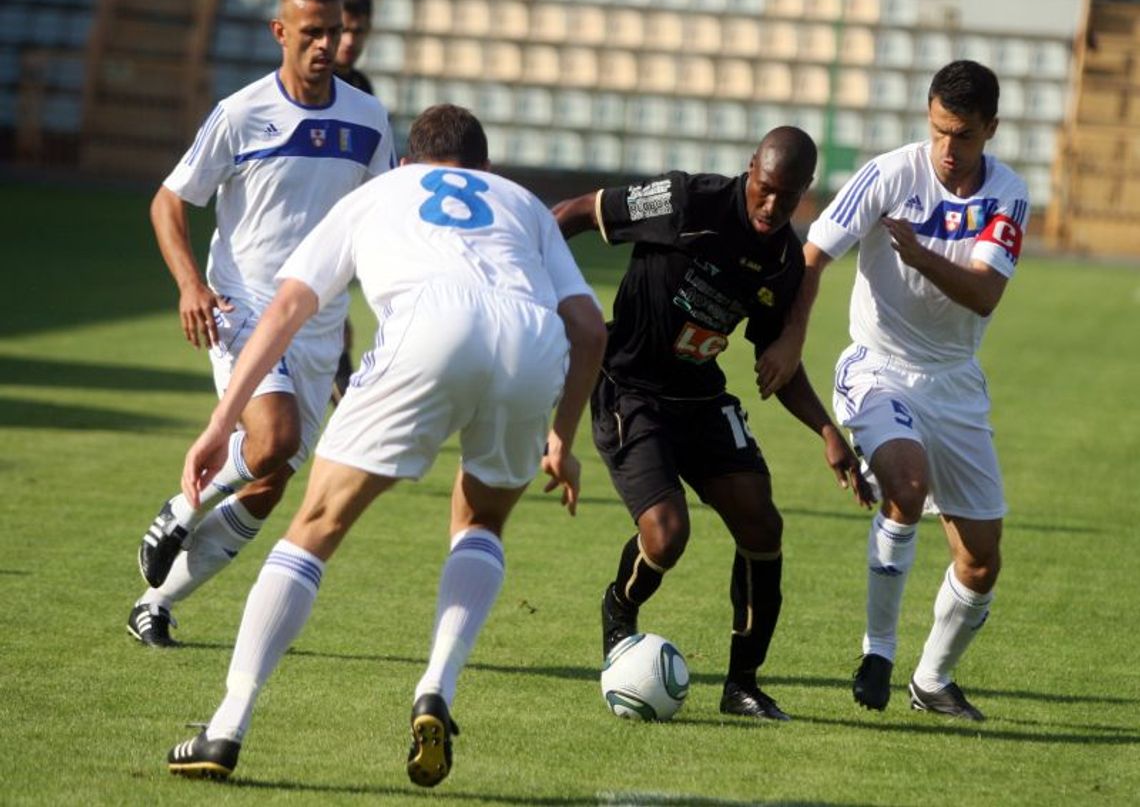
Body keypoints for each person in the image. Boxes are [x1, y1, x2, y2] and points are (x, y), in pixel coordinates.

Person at [163, 104, 607, 786]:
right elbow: (589, 327)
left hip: (430, 324)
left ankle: (227, 723)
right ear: (485, 169)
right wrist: (563, 438)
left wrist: (222, 423)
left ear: (407, 162)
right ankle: (436, 686)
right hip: (530, 337)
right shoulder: (523, 204)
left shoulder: (376, 193)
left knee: (315, 527)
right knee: (482, 520)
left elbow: (285, 309)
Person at [552, 127, 872, 722]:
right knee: (668, 537)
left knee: (762, 522)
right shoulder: (684, 202)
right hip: (630, 390)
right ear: (750, 170)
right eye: (763, 189)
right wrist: (524, 270)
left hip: (698, 397)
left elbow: (774, 365)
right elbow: (575, 212)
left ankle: (743, 685)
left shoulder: (782, 261)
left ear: (806, 191)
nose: (771, 207)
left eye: (786, 196)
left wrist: (828, 433)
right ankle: (619, 607)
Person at [128, 0, 398, 647]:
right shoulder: (242, 113)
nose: (325, 45)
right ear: (280, 32)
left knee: (272, 482)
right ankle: (181, 506)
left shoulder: (367, 120)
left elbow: (385, 220)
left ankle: (155, 601)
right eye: (311, 33)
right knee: (272, 439)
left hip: (319, 323)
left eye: (333, 32)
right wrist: (190, 284)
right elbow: (169, 200)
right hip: (243, 303)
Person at [764, 60, 1029, 721]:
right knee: (905, 488)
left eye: (963, 135)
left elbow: (983, 291)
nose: (947, 147)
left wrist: (920, 255)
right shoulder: (888, 174)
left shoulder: (1009, 197)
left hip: (956, 383)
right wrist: (793, 339)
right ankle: (877, 651)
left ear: (990, 130)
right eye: (938, 129)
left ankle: (932, 679)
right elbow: (813, 256)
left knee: (981, 560)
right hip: (877, 367)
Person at [329, 0, 378, 404]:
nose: (347, 42)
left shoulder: (362, 89)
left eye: (357, 31)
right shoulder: (309, 84)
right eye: (341, 30)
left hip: (339, 244)